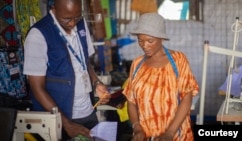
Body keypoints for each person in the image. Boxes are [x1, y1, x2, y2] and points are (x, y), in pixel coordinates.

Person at [23, 0, 111, 140]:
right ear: (53, 8)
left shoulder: (81, 25)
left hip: (87, 112)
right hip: (59, 118)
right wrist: (66, 123)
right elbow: (37, 88)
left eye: (76, 17)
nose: (72, 23)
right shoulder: (38, 35)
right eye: (67, 19)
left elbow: (85, 62)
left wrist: (96, 83)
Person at [123, 12, 199, 141]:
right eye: (140, 41)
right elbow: (131, 101)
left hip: (176, 136)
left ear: (162, 38)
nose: (145, 46)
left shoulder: (178, 60)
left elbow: (187, 98)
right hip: (146, 137)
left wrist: (169, 133)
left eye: (150, 41)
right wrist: (137, 128)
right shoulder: (137, 64)